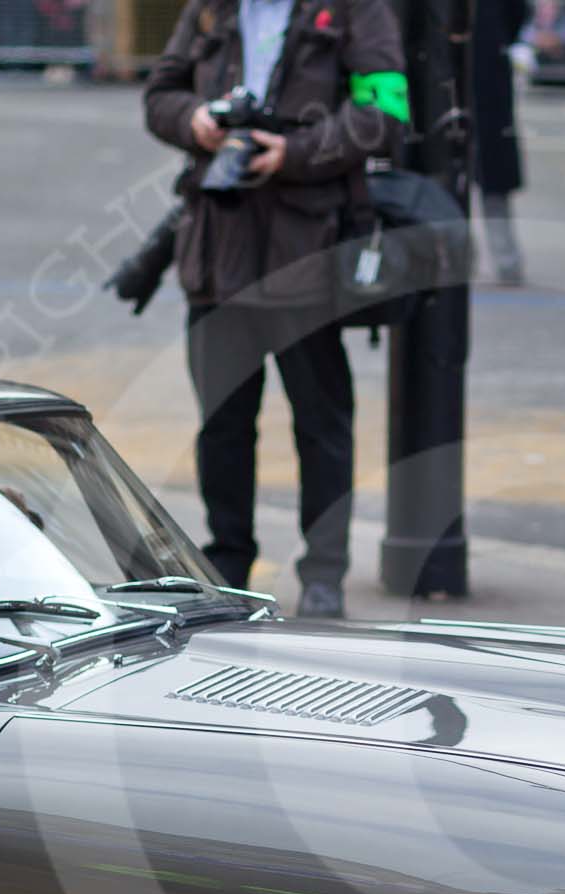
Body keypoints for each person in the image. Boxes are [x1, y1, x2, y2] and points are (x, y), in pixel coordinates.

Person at [143, 0, 409, 619]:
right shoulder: (211, 10)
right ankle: (228, 566)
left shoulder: (352, 10)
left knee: (321, 422)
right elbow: (160, 93)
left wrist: (295, 152)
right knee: (222, 423)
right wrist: (197, 121)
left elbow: (386, 109)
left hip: (305, 252)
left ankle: (324, 572)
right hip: (218, 252)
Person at [474, 0, 532, 285]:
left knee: (486, 175)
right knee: (489, 177)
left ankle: (502, 259)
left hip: (474, 67)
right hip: (486, 64)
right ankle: (505, 258)